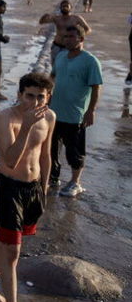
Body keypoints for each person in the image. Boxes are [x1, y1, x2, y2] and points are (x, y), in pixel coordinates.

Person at [0, 72, 56, 302]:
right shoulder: (6, 118)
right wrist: (25, 127)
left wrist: (43, 188)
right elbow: (10, 159)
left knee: (6, 243)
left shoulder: (49, 117)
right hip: (10, 187)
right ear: (20, 94)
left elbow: (45, 155)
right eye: (29, 96)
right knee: (12, 252)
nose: (34, 102)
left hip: (33, 189)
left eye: (40, 97)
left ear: (48, 97)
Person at [49, 25, 102, 197]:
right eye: (65, 37)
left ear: (81, 39)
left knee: (74, 151)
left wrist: (91, 110)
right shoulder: (61, 56)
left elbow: (96, 87)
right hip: (55, 111)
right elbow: (52, 77)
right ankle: (53, 177)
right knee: (51, 148)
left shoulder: (90, 61)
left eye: (71, 36)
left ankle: (75, 182)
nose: (67, 40)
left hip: (75, 114)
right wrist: (44, 97)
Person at [38, 0, 91, 65]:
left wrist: (79, 39)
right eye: (63, 6)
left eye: (66, 6)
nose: (64, 7)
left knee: (67, 66)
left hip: (69, 48)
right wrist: (45, 15)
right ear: (60, 8)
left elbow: (88, 29)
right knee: (55, 67)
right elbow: (41, 22)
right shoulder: (57, 18)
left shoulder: (76, 18)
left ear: (70, 7)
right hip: (57, 46)